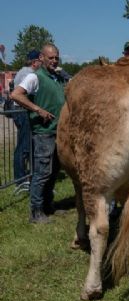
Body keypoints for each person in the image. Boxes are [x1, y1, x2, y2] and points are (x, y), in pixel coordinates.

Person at [11, 44, 66, 224]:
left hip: (57, 132)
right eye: (50, 57)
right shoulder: (34, 77)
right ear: (41, 58)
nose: (54, 60)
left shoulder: (57, 78)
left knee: (53, 172)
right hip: (43, 133)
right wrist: (38, 109)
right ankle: (36, 212)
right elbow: (16, 95)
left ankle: (48, 206)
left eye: (56, 57)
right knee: (41, 173)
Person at [11, 50, 42, 192]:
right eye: (40, 61)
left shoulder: (23, 71)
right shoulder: (29, 74)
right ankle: (21, 179)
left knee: (26, 145)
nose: (42, 63)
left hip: (21, 111)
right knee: (24, 146)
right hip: (22, 111)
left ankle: (26, 176)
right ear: (35, 62)